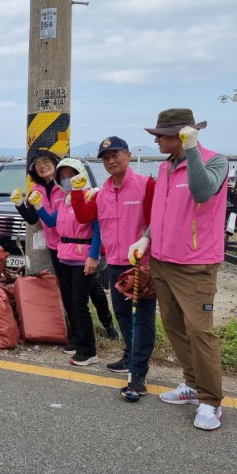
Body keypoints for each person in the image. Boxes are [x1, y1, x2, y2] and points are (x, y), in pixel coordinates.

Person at [128, 108, 228, 431]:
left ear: (182, 134)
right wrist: (145, 240)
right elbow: (161, 213)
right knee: (174, 326)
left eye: (161, 135)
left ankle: (211, 400)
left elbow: (202, 191)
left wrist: (194, 148)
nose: (156, 140)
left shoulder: (215, 160)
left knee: (200, 331)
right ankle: (191, 383)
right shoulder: (167, 167)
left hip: (196, 265)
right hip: (162, 261)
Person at [70, 137, 156, 394]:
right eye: (106, 157)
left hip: (141, 264)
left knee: (142, 318)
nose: (110, 161)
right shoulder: (102, 192)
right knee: (121, 314)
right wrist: (76, 193)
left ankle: (138, 372)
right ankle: (130, 356)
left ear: (128, 155)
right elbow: (85, 217)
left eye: (115, 155)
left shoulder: (145, 185)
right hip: (116, 264)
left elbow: (155, 223)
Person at [30, 158, 112, 367]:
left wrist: (93, 257)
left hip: (82, 258)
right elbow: (50, 222)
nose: (67, 180)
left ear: (81, 175)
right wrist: (37, 205)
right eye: (63, 176)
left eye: (71, 175)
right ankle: (78, 341)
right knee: (72, 302)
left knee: (79, 304)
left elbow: (98, 229)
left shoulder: (90, 197)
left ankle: (89, 351)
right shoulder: (67, 200)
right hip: (65, 256)